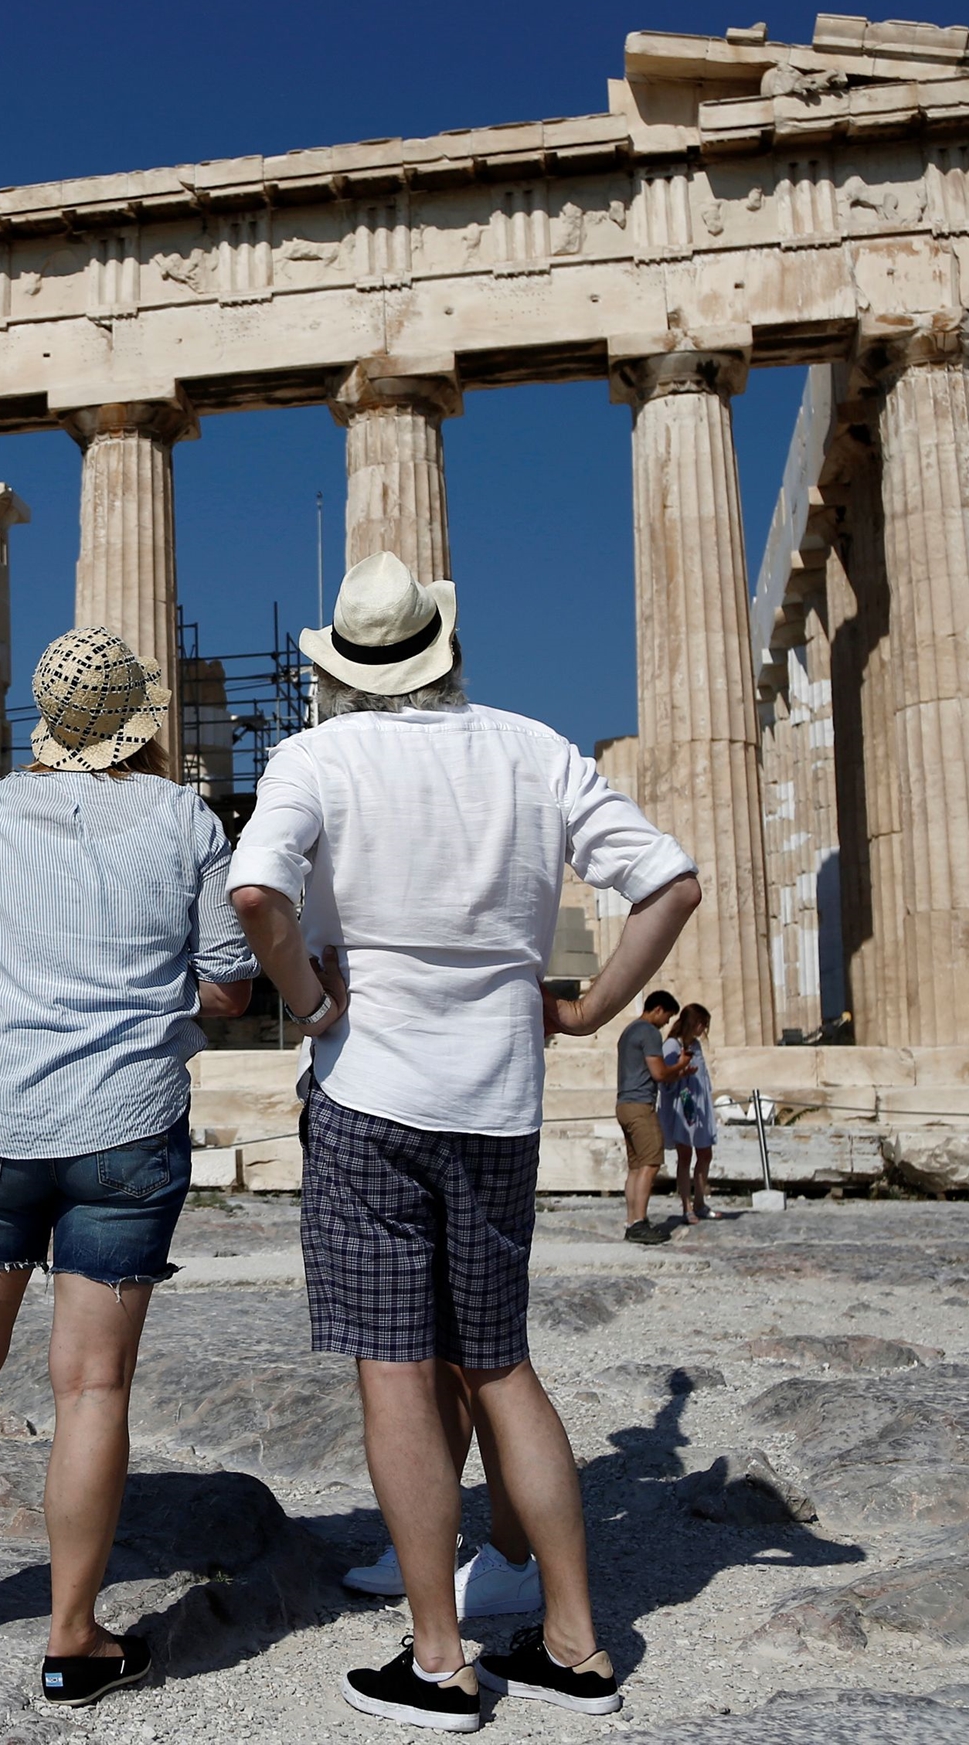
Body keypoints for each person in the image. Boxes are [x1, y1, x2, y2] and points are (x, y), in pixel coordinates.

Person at [228, 552, 699, 1731]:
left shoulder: (314, 755)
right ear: (440, 649)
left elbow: (254, 895)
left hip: (369, 1097)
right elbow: (671, 886)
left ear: (342, 666)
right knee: (498, 1363)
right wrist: (588, 1012)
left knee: (394, 1370)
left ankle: (437, 1661)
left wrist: (316, 1001)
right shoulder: (531, 748)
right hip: (499, 1099)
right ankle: (576, 1645)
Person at [0, 626, 256, 1711]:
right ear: (138, 723)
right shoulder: (185, 818)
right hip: (129, 1126)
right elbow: (227, 984)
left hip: (3, 1121)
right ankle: (73, 1637)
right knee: (92, 1386)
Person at [616, 993, 693, 1244]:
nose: (666, 1022)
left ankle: (632, 1221)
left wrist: (679, 1072)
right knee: (650, 1164)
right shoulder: (649, 1032)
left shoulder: (628, 1031)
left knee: (636, 1166)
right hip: (640, 1106)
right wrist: (679, 1063)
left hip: (624, 1104)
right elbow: (659, 1073)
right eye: (667, 1016)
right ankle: (639, 1222)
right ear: (658, 1009)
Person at [659, 1003, 720, 1223]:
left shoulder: (695, 1045)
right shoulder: (673, 1045)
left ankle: (700, 1202)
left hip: (700, 1105)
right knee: (684, 1156)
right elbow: (665, 1076)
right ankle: (687, 1206)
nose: (703, 1028)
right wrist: (682, 1070)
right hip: (682, 1105)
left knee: (705, 1154)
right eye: (701, 1023)